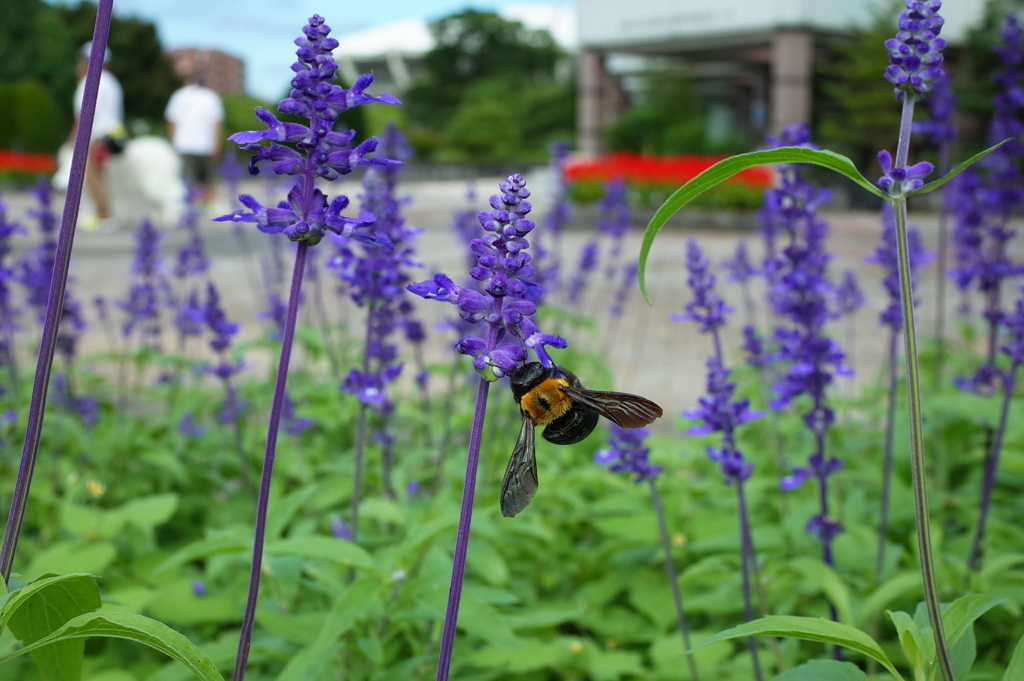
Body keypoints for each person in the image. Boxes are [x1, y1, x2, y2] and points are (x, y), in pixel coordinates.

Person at [69, 42, 124, 230]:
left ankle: (105, 216)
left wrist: (73, 139)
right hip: (114, 135)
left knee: (93, 176)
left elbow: (84, 113)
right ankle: (102, 214)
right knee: (100, 176)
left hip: (98, 136)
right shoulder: (112, 81)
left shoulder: (91, 80)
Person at [165, 73, 224, 202]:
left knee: (188, 181)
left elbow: (173, 122)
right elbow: (216, 123)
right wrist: (217, 145)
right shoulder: (211, 96)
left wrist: (172, 142)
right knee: (208, 181)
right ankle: (208, 207)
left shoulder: (179, 96)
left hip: (183, 145)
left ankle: (192, 208)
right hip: (206, 145)